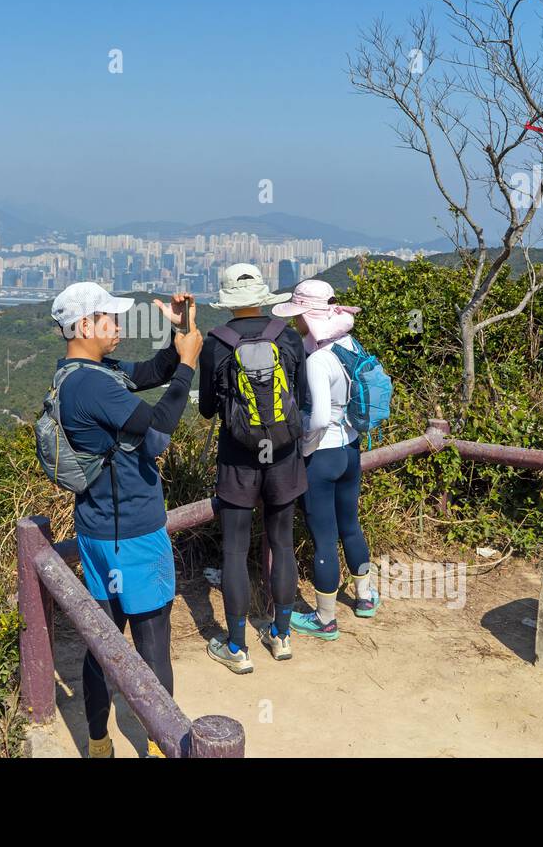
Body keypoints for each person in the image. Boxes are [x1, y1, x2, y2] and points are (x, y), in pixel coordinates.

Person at [49, 281, 202, 757]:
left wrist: (180, 334)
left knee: (103, 643)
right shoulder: (93, 384)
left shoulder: (83, 373)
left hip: (99, 531)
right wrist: (191, 365)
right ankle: (164, 745)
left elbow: (154, 369)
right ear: (84, 326)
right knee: (152, 642)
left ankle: (98, 744)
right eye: (109, 319)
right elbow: (160, 424)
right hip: (132, 532)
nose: (118, 326)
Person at [198, 263, 307, 673]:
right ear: (262, 297)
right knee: (282, 544)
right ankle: (281, 636)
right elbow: (303, 398)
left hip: (238, 459)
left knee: (234, 551)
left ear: (228, 302)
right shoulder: (289, 337)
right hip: (283, 455)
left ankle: (237, 646)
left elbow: (208, 409)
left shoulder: (217, 344)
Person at [272, 279, 379, 641]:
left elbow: (317, 417)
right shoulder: (349, 343)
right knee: (350, 524)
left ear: (307, 314)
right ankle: (365, 597)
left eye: (298, 314)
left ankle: (325, 619)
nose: (295, 322)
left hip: (323, 454)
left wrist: (304, 447)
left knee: (324, 537)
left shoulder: (318, 359)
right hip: (351, 448)